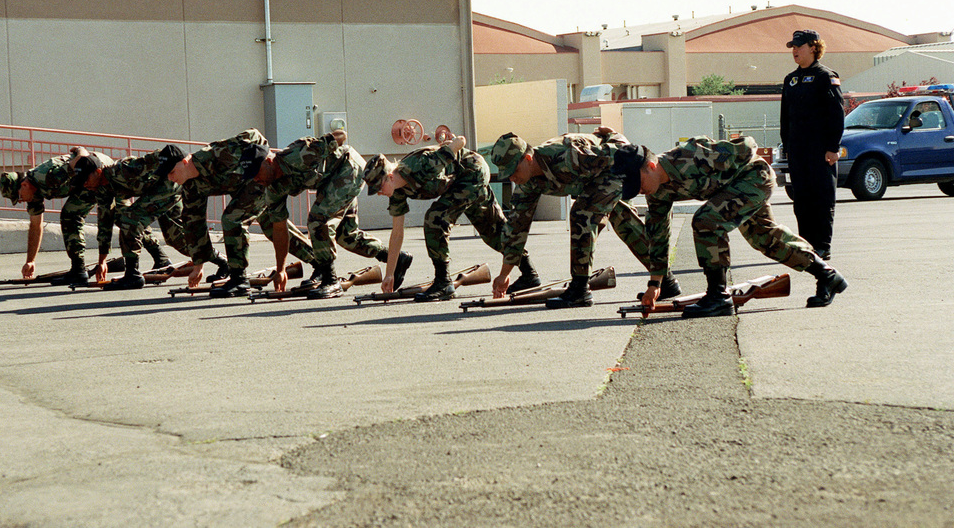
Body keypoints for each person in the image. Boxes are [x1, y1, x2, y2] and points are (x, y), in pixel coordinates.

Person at [632, 135, 847, 318]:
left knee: (706, 221)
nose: (639, 190)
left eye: (639, 183)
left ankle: (718, 297)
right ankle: (827, 275)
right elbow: (658, 237)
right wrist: (655, 285)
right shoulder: (656, 192)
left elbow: (745, 147)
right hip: (736, 188)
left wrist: (730, 168)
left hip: (754, 177)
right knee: (762, 237)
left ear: (651, 166)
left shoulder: (690, 155)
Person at [489, 130, 682, 309]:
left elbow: (619, 155)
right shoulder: (527, 183)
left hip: (612, 170)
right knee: (625, 222)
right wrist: (504, 274)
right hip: (593, 182)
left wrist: (618, 138)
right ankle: (666, 281)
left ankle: (579, 289)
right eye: (508, 174)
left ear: (528, 158)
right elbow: (517, 226)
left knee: (582, 214)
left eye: (514, 170)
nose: (512, 178)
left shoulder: (568, 155)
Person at [363, 135, 539, 301]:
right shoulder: (396, 192)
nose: (379, 193)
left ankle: (443, 282)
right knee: (494, 231)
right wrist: (389, 274)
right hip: (457, 183)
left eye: (379, 187)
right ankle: (529, 274)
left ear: (390, 177)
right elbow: (397, 234)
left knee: (435, 218)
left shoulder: (421, 164)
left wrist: (452, 142)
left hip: (472, 172)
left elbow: (459, 142)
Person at [249, 128, 411, 299]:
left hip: (348, 167)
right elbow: (280, 230)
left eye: (256, 173)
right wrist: (281, 269)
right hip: (330, 182)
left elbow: (341, 135)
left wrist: (325, 140)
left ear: (268, 161)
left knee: (318, 220)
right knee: (346, 236)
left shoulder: (298, 153)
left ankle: (330, 280)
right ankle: (394, 257)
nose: (255, 180)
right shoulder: (273, 189)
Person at [165, 129, 314, 297]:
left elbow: (254, 135)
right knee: (271, 225)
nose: (171, 179)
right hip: (243, 190)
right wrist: (198, 265)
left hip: (258, 178)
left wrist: (262, 162)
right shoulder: (190, 186)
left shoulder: (217, 154)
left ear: (185, 162)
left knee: (232, 219)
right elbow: (194, 223)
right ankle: (320, 262)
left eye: (172, 172)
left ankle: (239, 279)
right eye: (167, 175)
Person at [73, 146, 229, 290]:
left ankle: (132, 275)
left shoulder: (124, 169)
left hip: (170, 185)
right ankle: (223, 262)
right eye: (81, 182)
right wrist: (102, 261)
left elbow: (154, 158)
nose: (85, 185)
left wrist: (175, 161)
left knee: (130, 219)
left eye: (85, 180)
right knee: (176, 239)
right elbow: (105, 222)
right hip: (158, 192)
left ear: (98, 172)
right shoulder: (101, 189)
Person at [0, 147, 115, 286]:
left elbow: (83, 158)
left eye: (19, 197)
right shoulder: (32, 194)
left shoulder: (47, 177)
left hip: (98, 170)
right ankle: (78, 270)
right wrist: (31, 261)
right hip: (81, 182)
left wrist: (79, 149)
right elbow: (36, 225)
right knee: (70, 215)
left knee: (72, 215)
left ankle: (79, 271)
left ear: (24, 185)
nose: (21, 201)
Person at [780, 29, 845, 260]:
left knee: (822, 198)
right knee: (802, 200)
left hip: (820, 151)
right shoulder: (791, 79)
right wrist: (786, 146)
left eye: (799, 46)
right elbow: (785, 117)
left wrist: (833, 147)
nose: (795, 50)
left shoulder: (825, 77)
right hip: (798, 151)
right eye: (792, 47)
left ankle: (823, 246)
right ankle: (805, 246)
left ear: (814, 47)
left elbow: (837, 115)